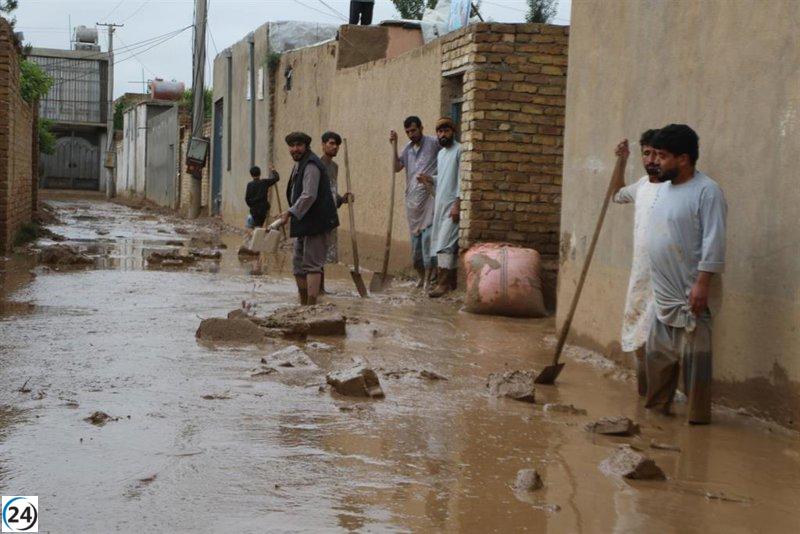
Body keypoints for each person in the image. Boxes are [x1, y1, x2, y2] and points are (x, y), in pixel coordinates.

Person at [644, 124, 727, 424]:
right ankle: (656, 416)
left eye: (662, 156)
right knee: (658, 357)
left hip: (692, 292)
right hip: (663, 292)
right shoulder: (663, 189)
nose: (656, 161)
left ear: (683, 158)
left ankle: (697, 424)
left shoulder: (707, 191)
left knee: (696, 364)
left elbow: (714, 240)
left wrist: (702, 283)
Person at [611, 130, 663, 397]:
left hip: (668, 277)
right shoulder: (642, 185)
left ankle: (661, 394)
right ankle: (645, 394)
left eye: (657, 154)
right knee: (638, 335)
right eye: (646, 153)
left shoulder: (676, 189)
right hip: (641, 276)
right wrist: (621, 162)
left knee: (661, 338)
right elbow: (616, 194)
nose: (651, 160)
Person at [277, 132, 340, 306]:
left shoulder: (311, 165)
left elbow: (309, 195)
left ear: (306, 147)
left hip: (317, 222)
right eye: (292, 146)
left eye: (299, 145)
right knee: (298, 264)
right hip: (303, 220)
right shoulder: (299, 164)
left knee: (312, 264)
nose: (295, 149)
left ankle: (311, 307)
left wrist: (289, 213)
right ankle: (303, 303)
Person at [391, 116, 440, 289]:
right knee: (416, 250)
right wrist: (394, 145)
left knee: (428, 242)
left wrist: (433, 179)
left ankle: (429, 279)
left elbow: (448, 156)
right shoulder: (407, 149)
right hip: (413, 205)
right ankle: (421, 276)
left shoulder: (434, 143)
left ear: (421, 128)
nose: (411, 134)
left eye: (413, 130)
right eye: (408, 132)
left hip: (430, 200)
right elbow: (396, 168)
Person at [419, 117, 461, 298]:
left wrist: (457, 204)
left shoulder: (459, 150)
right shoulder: (441, 154)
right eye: (440, 132)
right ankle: (449, 284)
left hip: (452, 206)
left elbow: (462, 179)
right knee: (441, 244)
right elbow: (442, 177)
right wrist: (430, 178)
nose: (443, 135)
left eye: (446, 131)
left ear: (453, 132)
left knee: (445, 244)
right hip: (441, 206)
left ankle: (443, 284)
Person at [319, 131, 354, 292]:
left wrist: (342, 199)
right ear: (323, 144)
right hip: (319, 215)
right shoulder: (317, 165)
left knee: (324, 254)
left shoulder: (334, 167)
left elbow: (331, 192)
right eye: (331, 143)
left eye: (337, 145)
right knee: (317, 254)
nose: (335, 147)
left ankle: (320, 288)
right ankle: (316, 289)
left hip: (331, 216)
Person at [244, 165, 280, 229]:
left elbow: (247, 199)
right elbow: (277, 178)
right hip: (263, 210)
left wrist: (252, 206)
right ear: (260, 173)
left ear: (251, 175)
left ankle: (256, 234)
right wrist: (273, 170)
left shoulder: (250, 185)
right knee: (259, 226)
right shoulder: (264, 182)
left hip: (254, 210)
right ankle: (257, 234)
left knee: (256, 227)